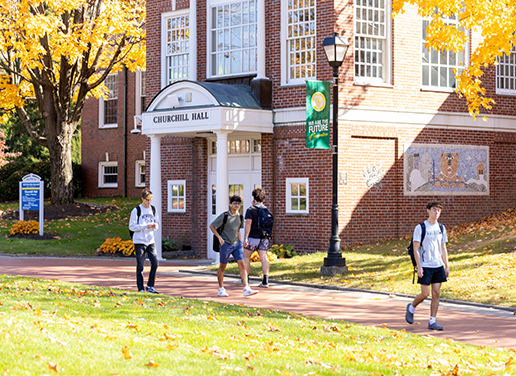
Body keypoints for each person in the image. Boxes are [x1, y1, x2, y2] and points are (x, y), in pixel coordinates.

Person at [405, 202, 449, 331]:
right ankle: (411, 307)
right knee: (425, 294)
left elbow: (443, 247)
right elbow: (416, 248)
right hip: (425, 265)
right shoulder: (421, 227)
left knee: (436, 293)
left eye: (439, 210)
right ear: (428, 211)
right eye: (434, 210)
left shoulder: (441, 227)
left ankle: (432, 321)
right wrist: (419, 266)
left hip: (438, 265)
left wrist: (446, 265)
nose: (436, 212)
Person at [210, 195, 258, 297]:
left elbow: (238, 230)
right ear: (231, 204)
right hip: (226, 244)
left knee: (242, 265)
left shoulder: (240, 217)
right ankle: (221, 289)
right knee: (222, 266)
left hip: (237, 244)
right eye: (235, 203)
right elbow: (212, 226)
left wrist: (241, 242)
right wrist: (219, 237)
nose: (236, 205)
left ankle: (246, 288)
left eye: (238, 203)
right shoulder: (225, 215)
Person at [129, 189, 160, 294]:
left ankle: (150, 286)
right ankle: (141, 288)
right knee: (140, 265)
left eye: (150, 199)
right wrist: (145, 226)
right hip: (139, 241)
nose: (149, 202)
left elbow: (157, 223)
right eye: (147, 200)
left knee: (155, 262)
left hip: (150, 240)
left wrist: (155, 226)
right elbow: (132, 226)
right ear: (142, 198)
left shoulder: (153, 209)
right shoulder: (136, 210)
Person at [243, 188, 270, 288]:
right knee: (264, 258)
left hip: (253, 237)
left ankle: (246, 279)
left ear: (254, 197)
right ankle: (265, 281)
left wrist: (245, 237)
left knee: (246, 257)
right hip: (264, 237)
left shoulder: (251, 210)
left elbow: (248, 224)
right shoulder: (266, 210)